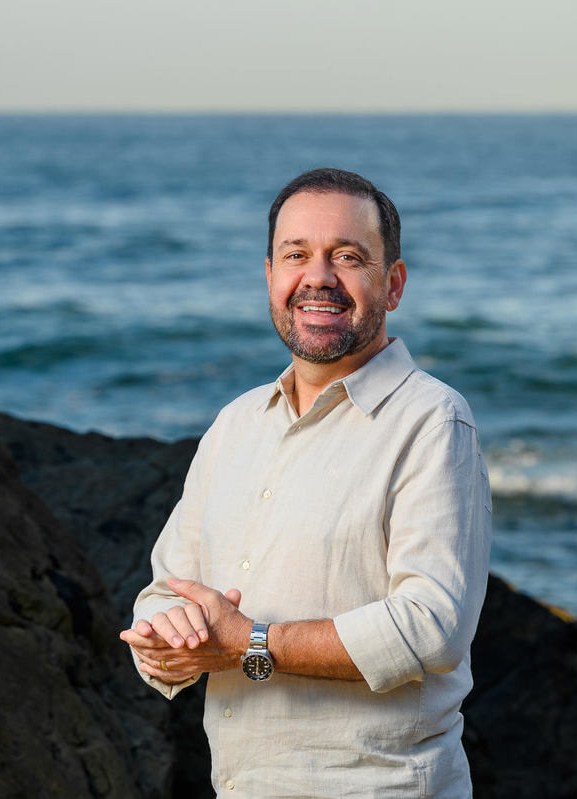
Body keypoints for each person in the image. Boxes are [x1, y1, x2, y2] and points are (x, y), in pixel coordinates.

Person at [120, 167, 493, 798]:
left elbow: (433, 627)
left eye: (347, 257)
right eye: (297, 255)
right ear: (270, 276)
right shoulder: (235, 425)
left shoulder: (432, 421)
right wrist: (166, 642)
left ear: (392, 283)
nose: (317, 277)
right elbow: (165, 593)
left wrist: (250, 645)